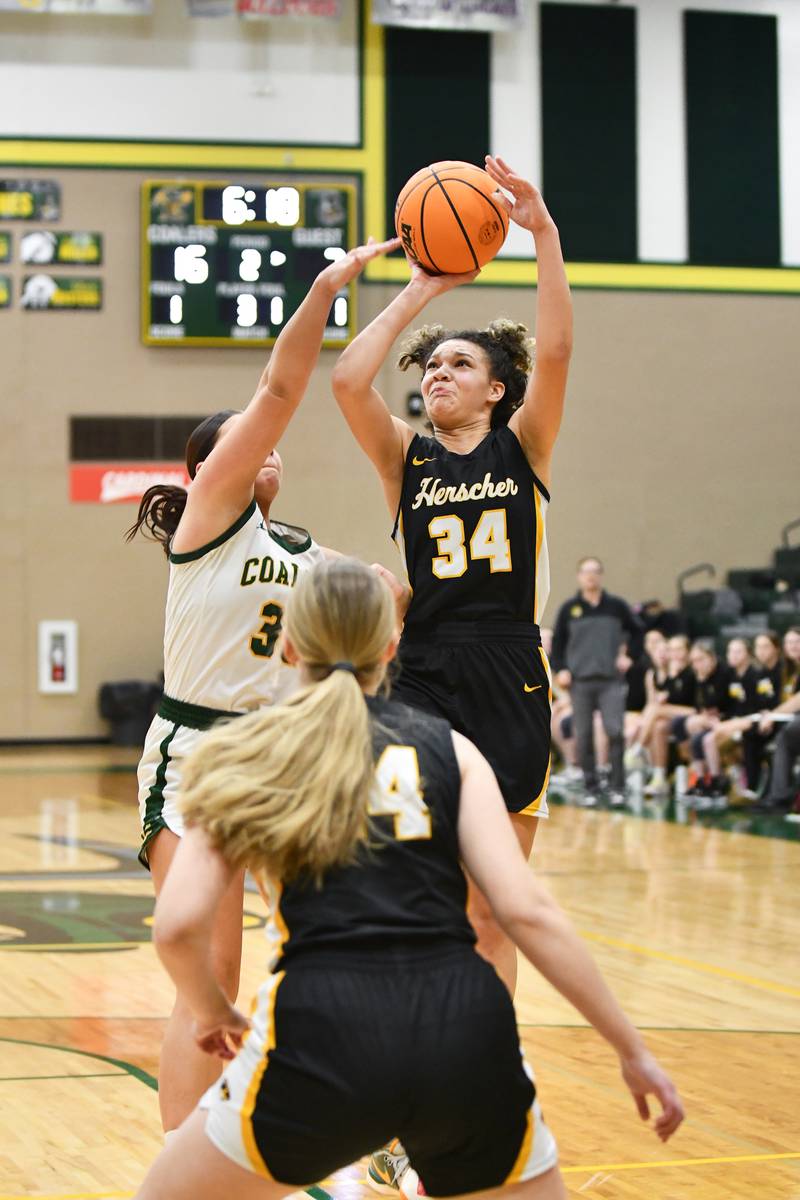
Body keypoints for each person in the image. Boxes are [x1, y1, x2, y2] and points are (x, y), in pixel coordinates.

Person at [135, 557, 684, 1200]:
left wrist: (213, 1012)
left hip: (321, 1034)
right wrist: (631, 1049)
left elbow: (177, 928)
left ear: (288, 646)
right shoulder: (452, 750)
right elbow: (527, 913)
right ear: (392, 648)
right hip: (465, 1033)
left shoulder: (244, 756)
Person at [125, 237, 399, 1137]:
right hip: (197, 754)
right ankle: (182, 1160)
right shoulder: (208, 523)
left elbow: (384, 595)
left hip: (282, 759)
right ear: (210, 470)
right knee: (212, 974)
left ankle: (363, 1126)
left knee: (331, 950)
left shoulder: (305, 553)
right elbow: (279, 392)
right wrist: (324, 290)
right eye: (240, 443)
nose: (264, 448)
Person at [331, 156, 572, 1002]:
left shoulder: (524, 447)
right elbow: (347, 380)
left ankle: (489, 1064)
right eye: (431, 366)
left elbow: (558, 346)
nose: (438, 373)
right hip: (424, 669)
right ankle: (409, 1051)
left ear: (498, 390)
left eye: (460, 365)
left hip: (509, 668)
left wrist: (543, 235)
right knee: (411, 888)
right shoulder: (406, 459)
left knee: (493, 911)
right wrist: (421, 289)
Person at [550, 557, 642, 807]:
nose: (590, 576)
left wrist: (629, 656)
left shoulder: (616, 606)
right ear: (579, 576)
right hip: (580, 682)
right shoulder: (569, 609)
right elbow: (557, 643)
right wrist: (561, 669)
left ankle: (618, 786)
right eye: (585, 572)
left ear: (601, 575)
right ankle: (590, 786)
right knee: (583, 735)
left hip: (611, 680)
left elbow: (638, 632)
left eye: (594, 572)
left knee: (615, 731)